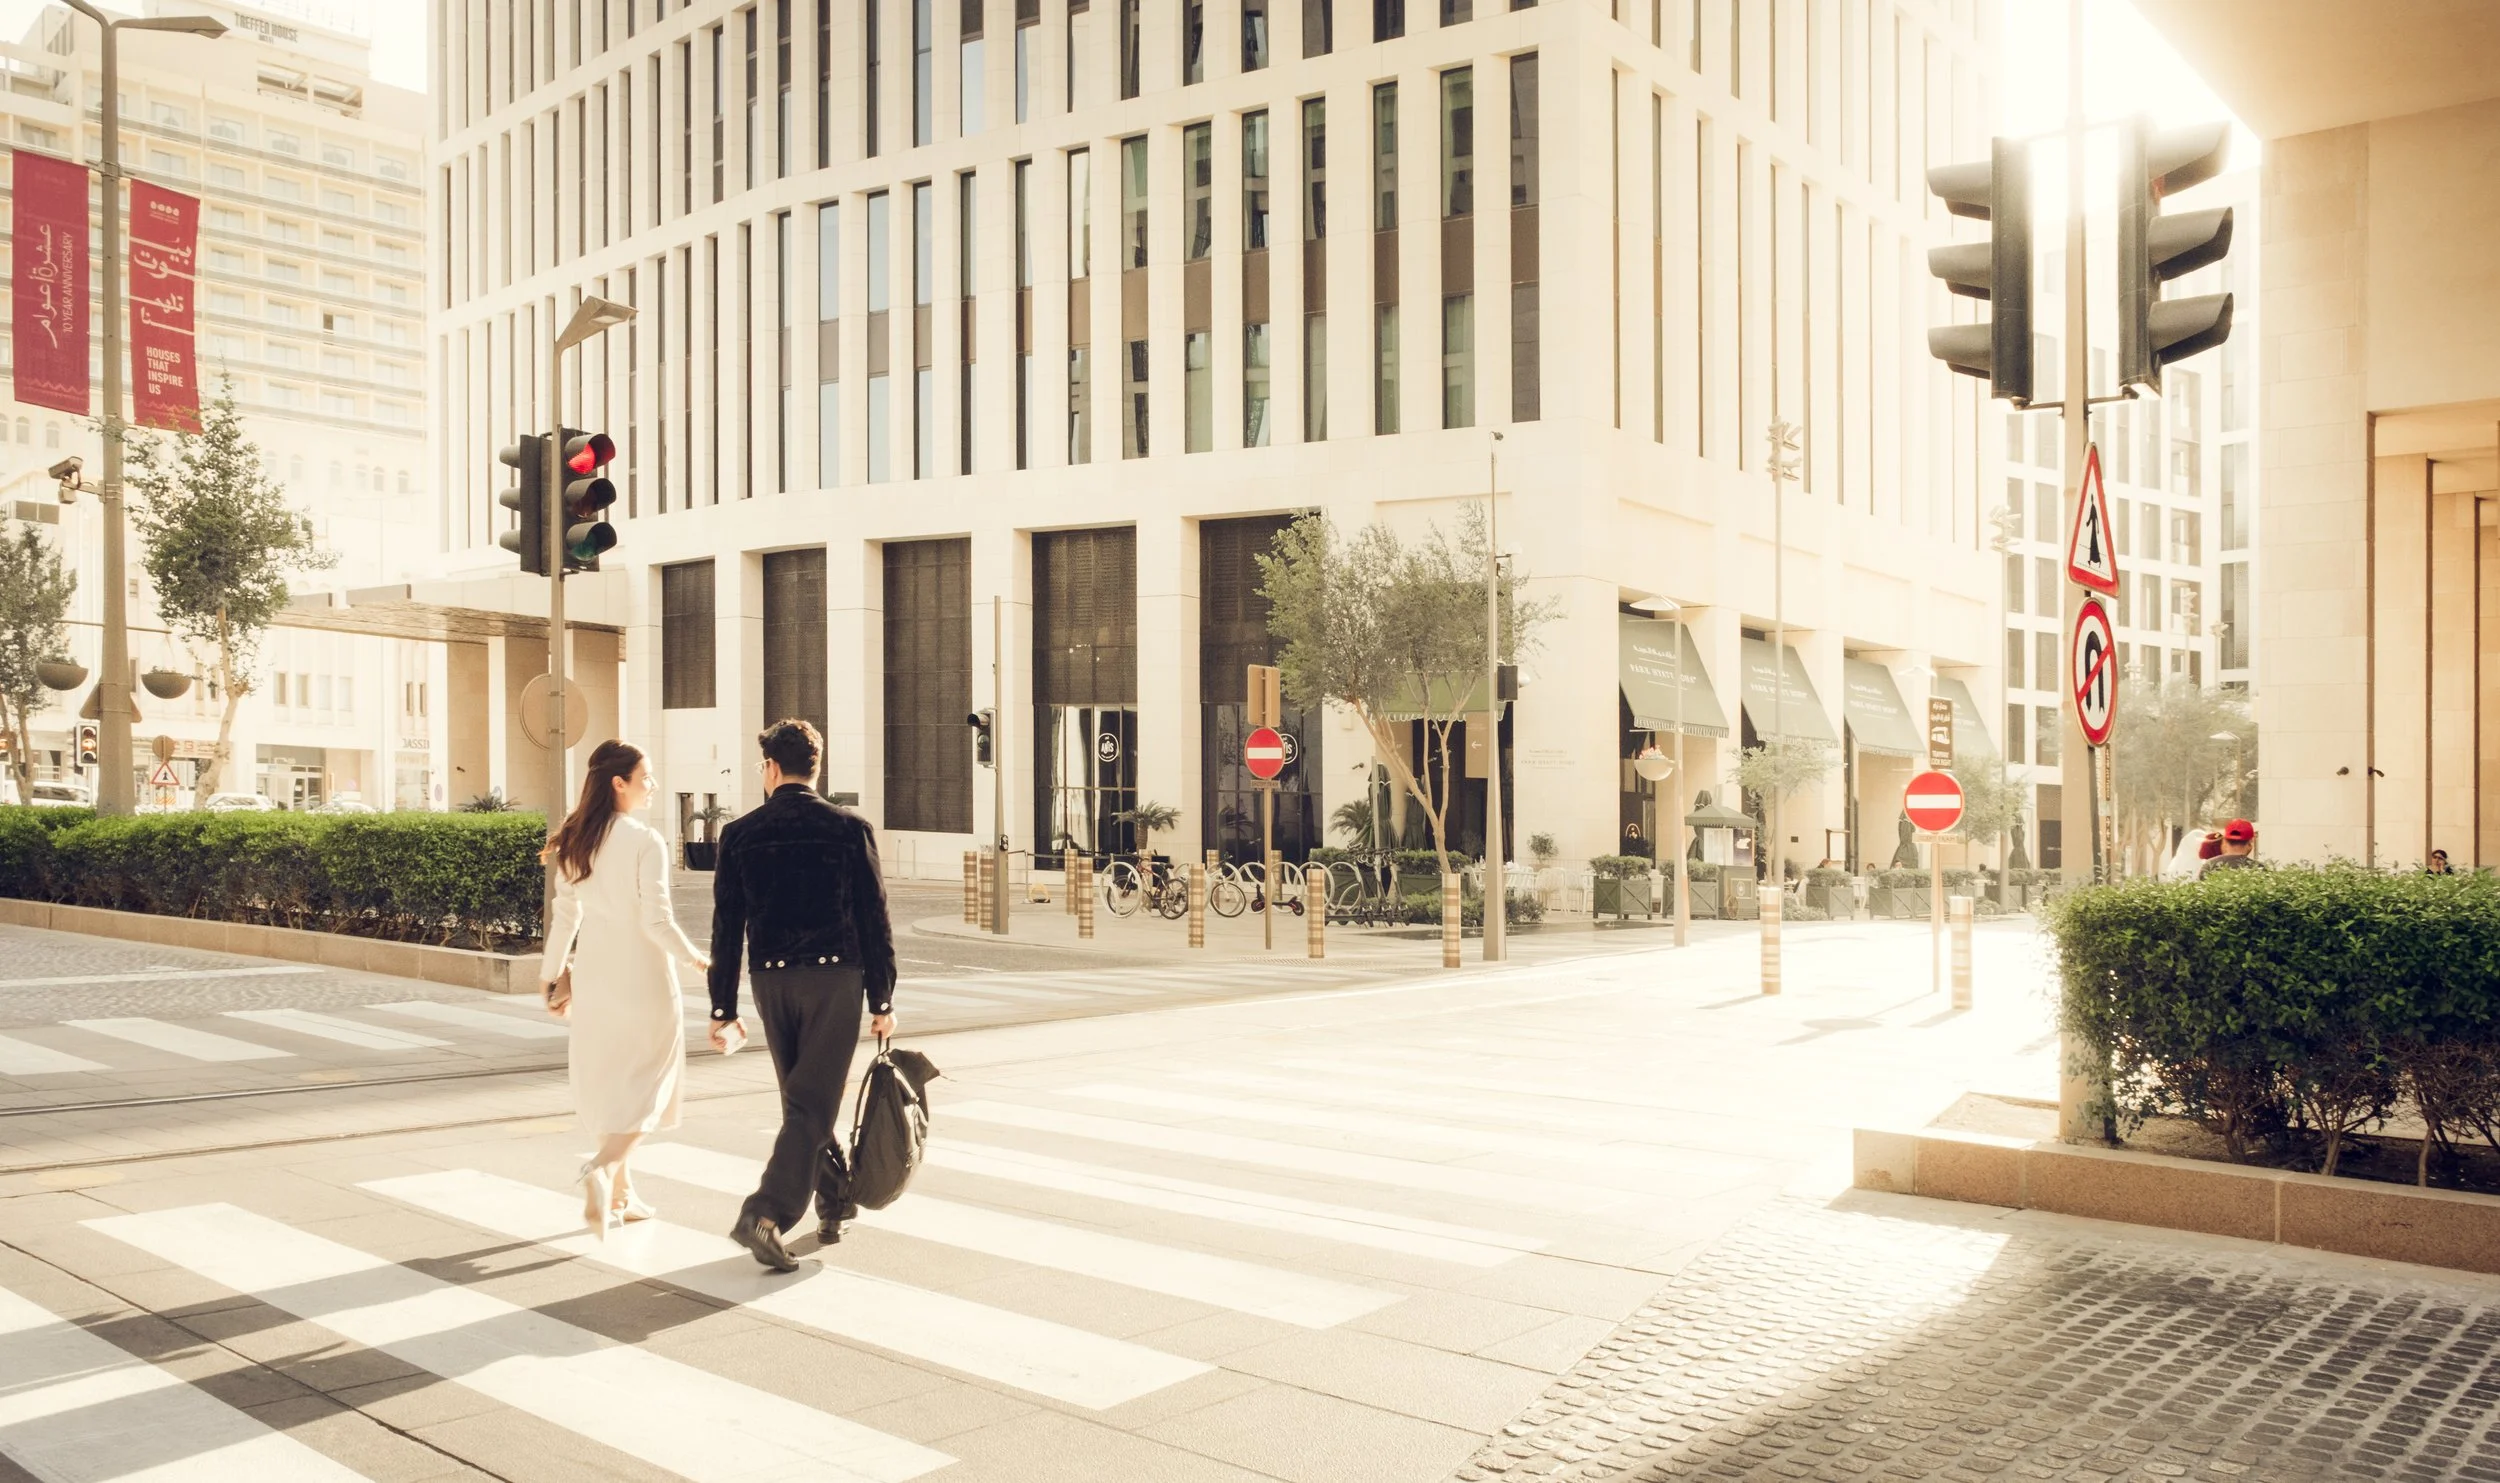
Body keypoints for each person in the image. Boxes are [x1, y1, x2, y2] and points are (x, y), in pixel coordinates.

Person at [709, 719, 898, 1272]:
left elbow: (726, 926)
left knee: (803, 1103)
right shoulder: (849, 828)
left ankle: (834, 1199)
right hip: (835, 980)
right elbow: (874, 918)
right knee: (812, 1104)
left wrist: (723, 1006)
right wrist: (882, 999)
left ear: (771, 768)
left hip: (772, 981)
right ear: (816, 766)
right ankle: (763, 1215)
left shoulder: (740, 834)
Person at [538, 740, 710, 1236]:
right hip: (644, 979)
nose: (652, 786)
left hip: (594, 976)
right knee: (652, 1085)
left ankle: (621, 1195)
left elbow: (565, 916)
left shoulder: (576, 840)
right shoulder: (643, 839)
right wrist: (699, 960)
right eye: (646, 777)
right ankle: (600, 1170)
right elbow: (657, 921)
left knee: (611, 1084)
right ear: (620, 783)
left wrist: (552, 977)